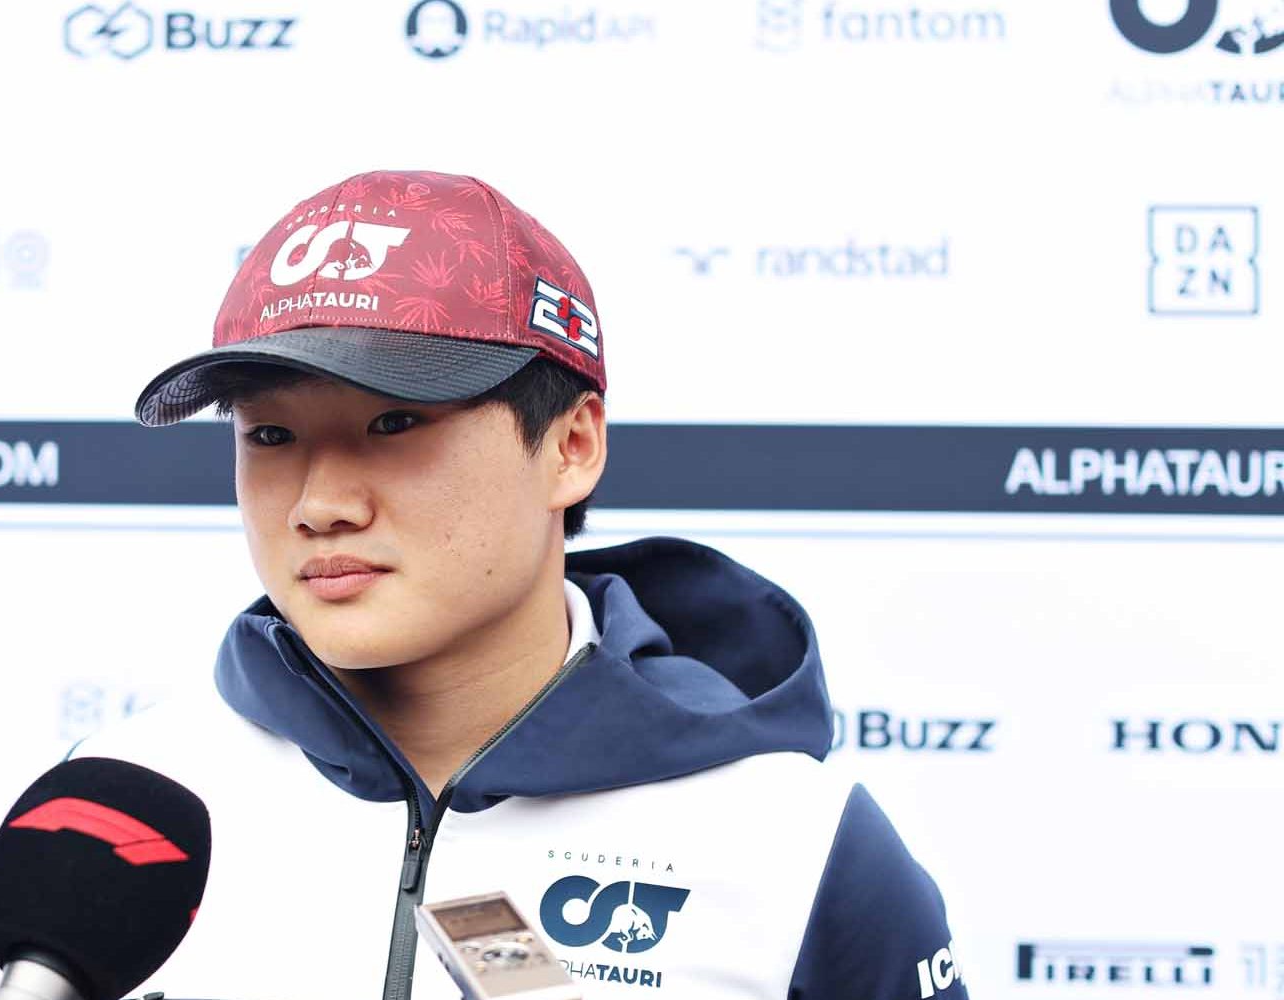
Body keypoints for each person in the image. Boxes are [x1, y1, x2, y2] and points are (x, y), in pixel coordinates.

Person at [75, 169, 966, 1000]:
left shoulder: (797, 846)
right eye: (270, 437)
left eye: (395, 422)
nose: (320, 503)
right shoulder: (110, 804)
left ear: (572, 445)